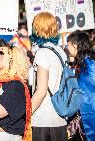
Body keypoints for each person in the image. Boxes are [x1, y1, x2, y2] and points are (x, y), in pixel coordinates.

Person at [29, 12, 68, 141]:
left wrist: (26, 114)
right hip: (60, 117)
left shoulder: (43, 53)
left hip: (43, 118)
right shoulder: (60, 51)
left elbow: (41, 91)